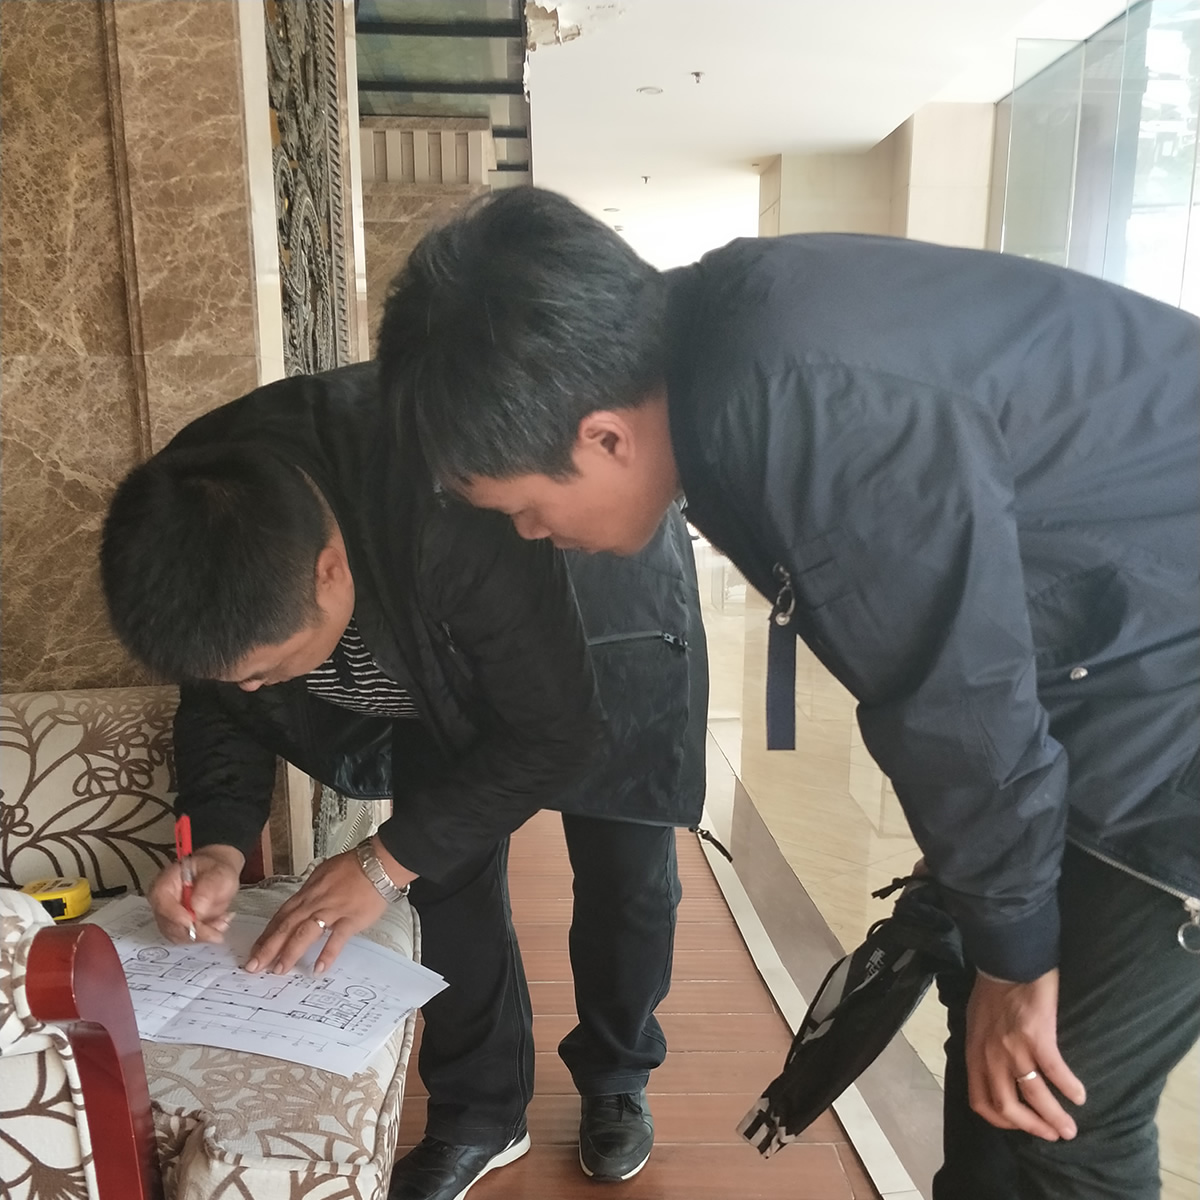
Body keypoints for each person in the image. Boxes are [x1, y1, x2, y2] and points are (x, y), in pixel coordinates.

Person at [376, 186, 1200, 1200]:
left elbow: (956, 698)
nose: (533, 536)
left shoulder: (806, 408)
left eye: (526, 509)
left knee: (1059, 1101)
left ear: (603, 438)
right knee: (997, 1056)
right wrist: (998, 922)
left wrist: (1016, 951)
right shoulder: (722, 351)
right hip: (1115, 666)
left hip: (1171, 711)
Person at [99, 361, 708, 1199]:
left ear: (328, 570)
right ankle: (481, 1115)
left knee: (622, 869)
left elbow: (556, 733)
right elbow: (219, 699)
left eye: (268, 669)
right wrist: (220, 843)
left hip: (602, 606)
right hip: (429, 662)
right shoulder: (196, 508)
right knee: (443, 873)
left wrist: (379, 864)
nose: (251, 688)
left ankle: (617, 1073)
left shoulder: (448, 509)